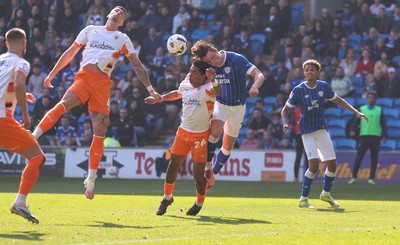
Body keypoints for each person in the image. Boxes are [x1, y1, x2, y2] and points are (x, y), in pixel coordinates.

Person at [31, 6, 162, 199]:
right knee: (62, 104)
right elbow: (70, 53)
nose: (119, 12)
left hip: (102, 84)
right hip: (84, 78)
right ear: (108, 14)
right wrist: (51, 75)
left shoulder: (122, 38)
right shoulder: (90, 29)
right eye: (117, 10)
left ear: (123, 22)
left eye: (123, 14)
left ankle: (90, 180)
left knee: (100, 130)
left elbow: (137, 65)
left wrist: (151, 89)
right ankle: (33, 136)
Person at [281, 59, 368, 209]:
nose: (309, 72)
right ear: (304, 72)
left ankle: (326, 194)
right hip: (307, 131)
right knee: (313, 165)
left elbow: (338, 100)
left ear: (318, 72)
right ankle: (303, 199)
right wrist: (284, 122)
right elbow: (285, 110)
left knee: (333, 165)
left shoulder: (323, 87)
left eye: (312, 70)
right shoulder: (298, 90)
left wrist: (355, 112)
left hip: (321, 129)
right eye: (307, 70)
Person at [145, 60, 222, 216]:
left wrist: (213, 80)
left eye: (194, 72)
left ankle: (199, 203)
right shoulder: (186, 83)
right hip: (182, 133)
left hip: (200, 137)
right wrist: (160, 98)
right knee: (172, 166)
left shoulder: (208, 88)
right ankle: (167, 198)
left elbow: (218, 91)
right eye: (190, 71)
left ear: (203, 76)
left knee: (198, 176)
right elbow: (177, 93)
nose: (190, 74)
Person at [190, 40, 265, 188]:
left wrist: (255, 86)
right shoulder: (207, 65)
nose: (213, 62)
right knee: (215, 132)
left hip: (238, 107)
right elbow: (193, 78)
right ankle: (208, 167)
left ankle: (212, 175)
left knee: (228, 146)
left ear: (216, 50)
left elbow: (259, 74)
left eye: (213, 58)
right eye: (208, 61)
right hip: (221, 104)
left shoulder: (236, 59)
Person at [0, 28, 46, 224]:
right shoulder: (22, 63)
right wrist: (26, 116)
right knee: (37, 157)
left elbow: (8, 87)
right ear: (24, 44)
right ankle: (20, 202)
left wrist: (18, 98)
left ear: (6, 43)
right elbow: (18, 84)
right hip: (2, 120)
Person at [349, 91, 387, 185]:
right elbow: (355, 121)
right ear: (367, 99)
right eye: (369, 97)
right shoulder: (362, 109)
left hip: (375, 137)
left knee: (374, 159)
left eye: (372, 97)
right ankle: (354, 177)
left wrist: (384, 135)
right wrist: (353, 130)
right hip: (364, 136)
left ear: (375, 99)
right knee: (359, 158)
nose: (371, 99)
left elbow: (383, 124)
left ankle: (371, 179)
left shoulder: (379, 110)